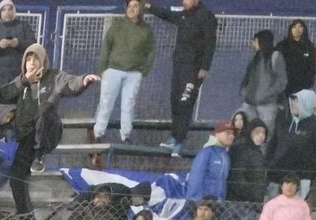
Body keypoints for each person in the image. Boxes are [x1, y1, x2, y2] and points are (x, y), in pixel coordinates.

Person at [0, 44, 99, 220]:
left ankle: (39, 156)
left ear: (43, 61)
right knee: (17, 177)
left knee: (44, 109)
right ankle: (26, 218)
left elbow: (71, 83)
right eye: (28, 59)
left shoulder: (54, 77)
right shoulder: (21, 81)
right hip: (27, 138)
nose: (31, 62)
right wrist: (24, 81)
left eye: (35, 59)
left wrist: (84, 80)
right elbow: (1, 94)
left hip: (48, 132)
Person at [146, 0, 216, 159]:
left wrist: (205, 66)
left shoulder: (206, 16)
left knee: (185, 101)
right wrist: (150, 7)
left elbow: (210, 42)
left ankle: (180, 142)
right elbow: (168, 15)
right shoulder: (184, 15)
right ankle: (173, 137)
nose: (184, 2)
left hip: (194, 68)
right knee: (175, 100)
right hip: (179, 65)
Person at [94, 0, 154, 144]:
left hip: (134, 74)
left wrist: (143, 71)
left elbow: (151, 52)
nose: (131, 9)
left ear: (140, 9)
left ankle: (125, 136)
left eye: (135, 6)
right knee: (105, 103)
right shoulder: (117, 27)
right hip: (113, 71)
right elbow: (106, 47)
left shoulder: (146, 30)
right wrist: (102, 70)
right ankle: (98, 134)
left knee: (128, 105)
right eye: (129, 6)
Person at [238, 30, 286, 129]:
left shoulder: (275, 57)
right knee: (247, 132)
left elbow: (282, 81)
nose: (253, 43)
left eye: (255, 40)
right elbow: (247, 79)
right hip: (250, 103)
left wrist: (266, 95)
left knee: (265, 135)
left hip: (267, 105)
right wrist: (244, 92)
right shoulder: (254, 58)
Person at [0, 0, 36, 87]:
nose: (7, 12)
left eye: (10, 9)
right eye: (4, 10)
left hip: (19, 74)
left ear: (14, 11)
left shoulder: (23, 26)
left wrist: (18, 43)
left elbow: (33, 46)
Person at [185, 119, 234, 201]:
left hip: (218, 203)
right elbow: (196, 176)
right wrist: (195, 200)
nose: (231, 136)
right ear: (217, 134)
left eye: (233, 134)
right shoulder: (207, 152)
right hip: (203, 202)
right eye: (227, 133)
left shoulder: (226, 156)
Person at [277, 19, 315, 102]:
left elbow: (312, 67)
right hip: (285, 86)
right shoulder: (283, 45)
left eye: (300, 26)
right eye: (294, 27)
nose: (297, 29)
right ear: (290, 29)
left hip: (302, 86)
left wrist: (308, 84)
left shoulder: (309, 47)